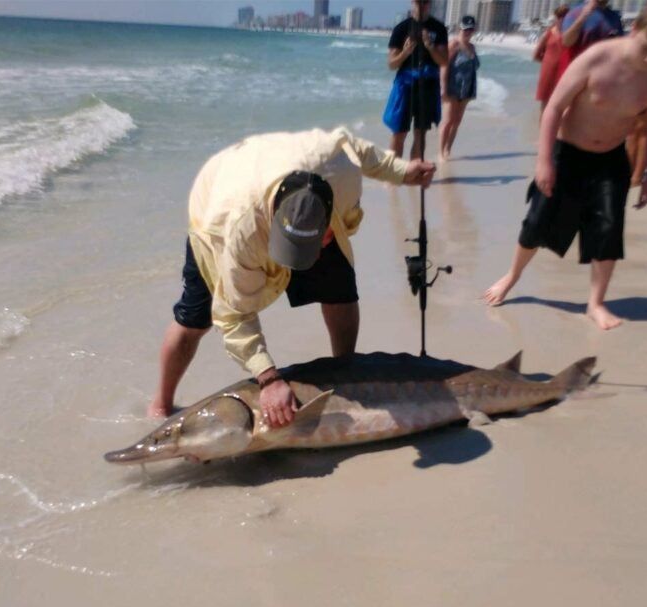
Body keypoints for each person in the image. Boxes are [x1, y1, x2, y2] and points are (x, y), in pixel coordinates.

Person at [148, 128, 436, 427]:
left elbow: (353, 147)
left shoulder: (337, 168)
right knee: (195, 319)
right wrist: (269, 378)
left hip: (284, 176)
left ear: (327, 229)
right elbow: (235, 317)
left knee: (339, 290)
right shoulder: (237, 232)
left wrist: (401, 171)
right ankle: (160, 405)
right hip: (220, 201)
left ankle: (345, 373)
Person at [482, 0, 647, 330]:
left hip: (611, 159)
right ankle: (512, 276)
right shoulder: (597, 57)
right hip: (567, 154)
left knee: (607, 231)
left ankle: (596, 302)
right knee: (536, 223)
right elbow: (553, 107)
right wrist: (544, 160)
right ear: (634, 30)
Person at [384, 0, 449, 160]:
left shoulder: (438, 28)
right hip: (405, 85)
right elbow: (392, 64)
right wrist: (405, 52)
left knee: (421, 133)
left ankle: (414, 173)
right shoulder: (401, 29)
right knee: (399, 132)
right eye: (418, 2)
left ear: (430, 4)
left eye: (425, 2)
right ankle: (394, 176)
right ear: (412, 3)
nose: (421, 6)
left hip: (428, 86)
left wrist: (430, 46)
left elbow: (443, 61)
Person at [439, 15, 480, 160]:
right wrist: (443, 88)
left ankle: (448, 150)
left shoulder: (472, 47)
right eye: (465, 30)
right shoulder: (453, 45)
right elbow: (444, 66)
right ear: (459, 29)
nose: (468, 32)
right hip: (452, 88)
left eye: (470, 30)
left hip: (467, 89)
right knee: (448, 121)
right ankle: (441, 152)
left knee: (457, 122)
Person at [557, 0, 625, 80]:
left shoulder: (614, 17)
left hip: (602, 77)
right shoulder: (575, 12)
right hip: (575, 76)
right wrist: (583, 16)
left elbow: (619, 49)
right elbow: (567, 42)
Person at [534, 5, 571, 116]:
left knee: (563, 104)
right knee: (545, 105)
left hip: (564, 73)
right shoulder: (548, 33)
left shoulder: (571, 34)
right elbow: (536, 55)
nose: (562, 19)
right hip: (548, 73)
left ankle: (558, 131)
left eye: (564, 16)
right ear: (556, 17)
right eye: (560, 16)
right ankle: (542, 132)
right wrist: (548, 62)